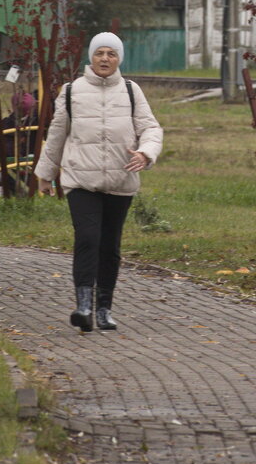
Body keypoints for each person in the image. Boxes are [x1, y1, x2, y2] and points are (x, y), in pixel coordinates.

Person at [35, 32, 163, 333]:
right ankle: (83, 306)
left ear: (119, 58)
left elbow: (151, 128)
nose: (105, 59)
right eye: (100, 53)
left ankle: (104, 309)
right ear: (90, 57)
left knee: (109, 246)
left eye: (111, 54)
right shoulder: (71, 91)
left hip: (121, 178)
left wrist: (146, 153)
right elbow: (56, 135)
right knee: (88, 239)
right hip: (81, 179)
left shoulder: (132, 91)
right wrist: (45, 174)